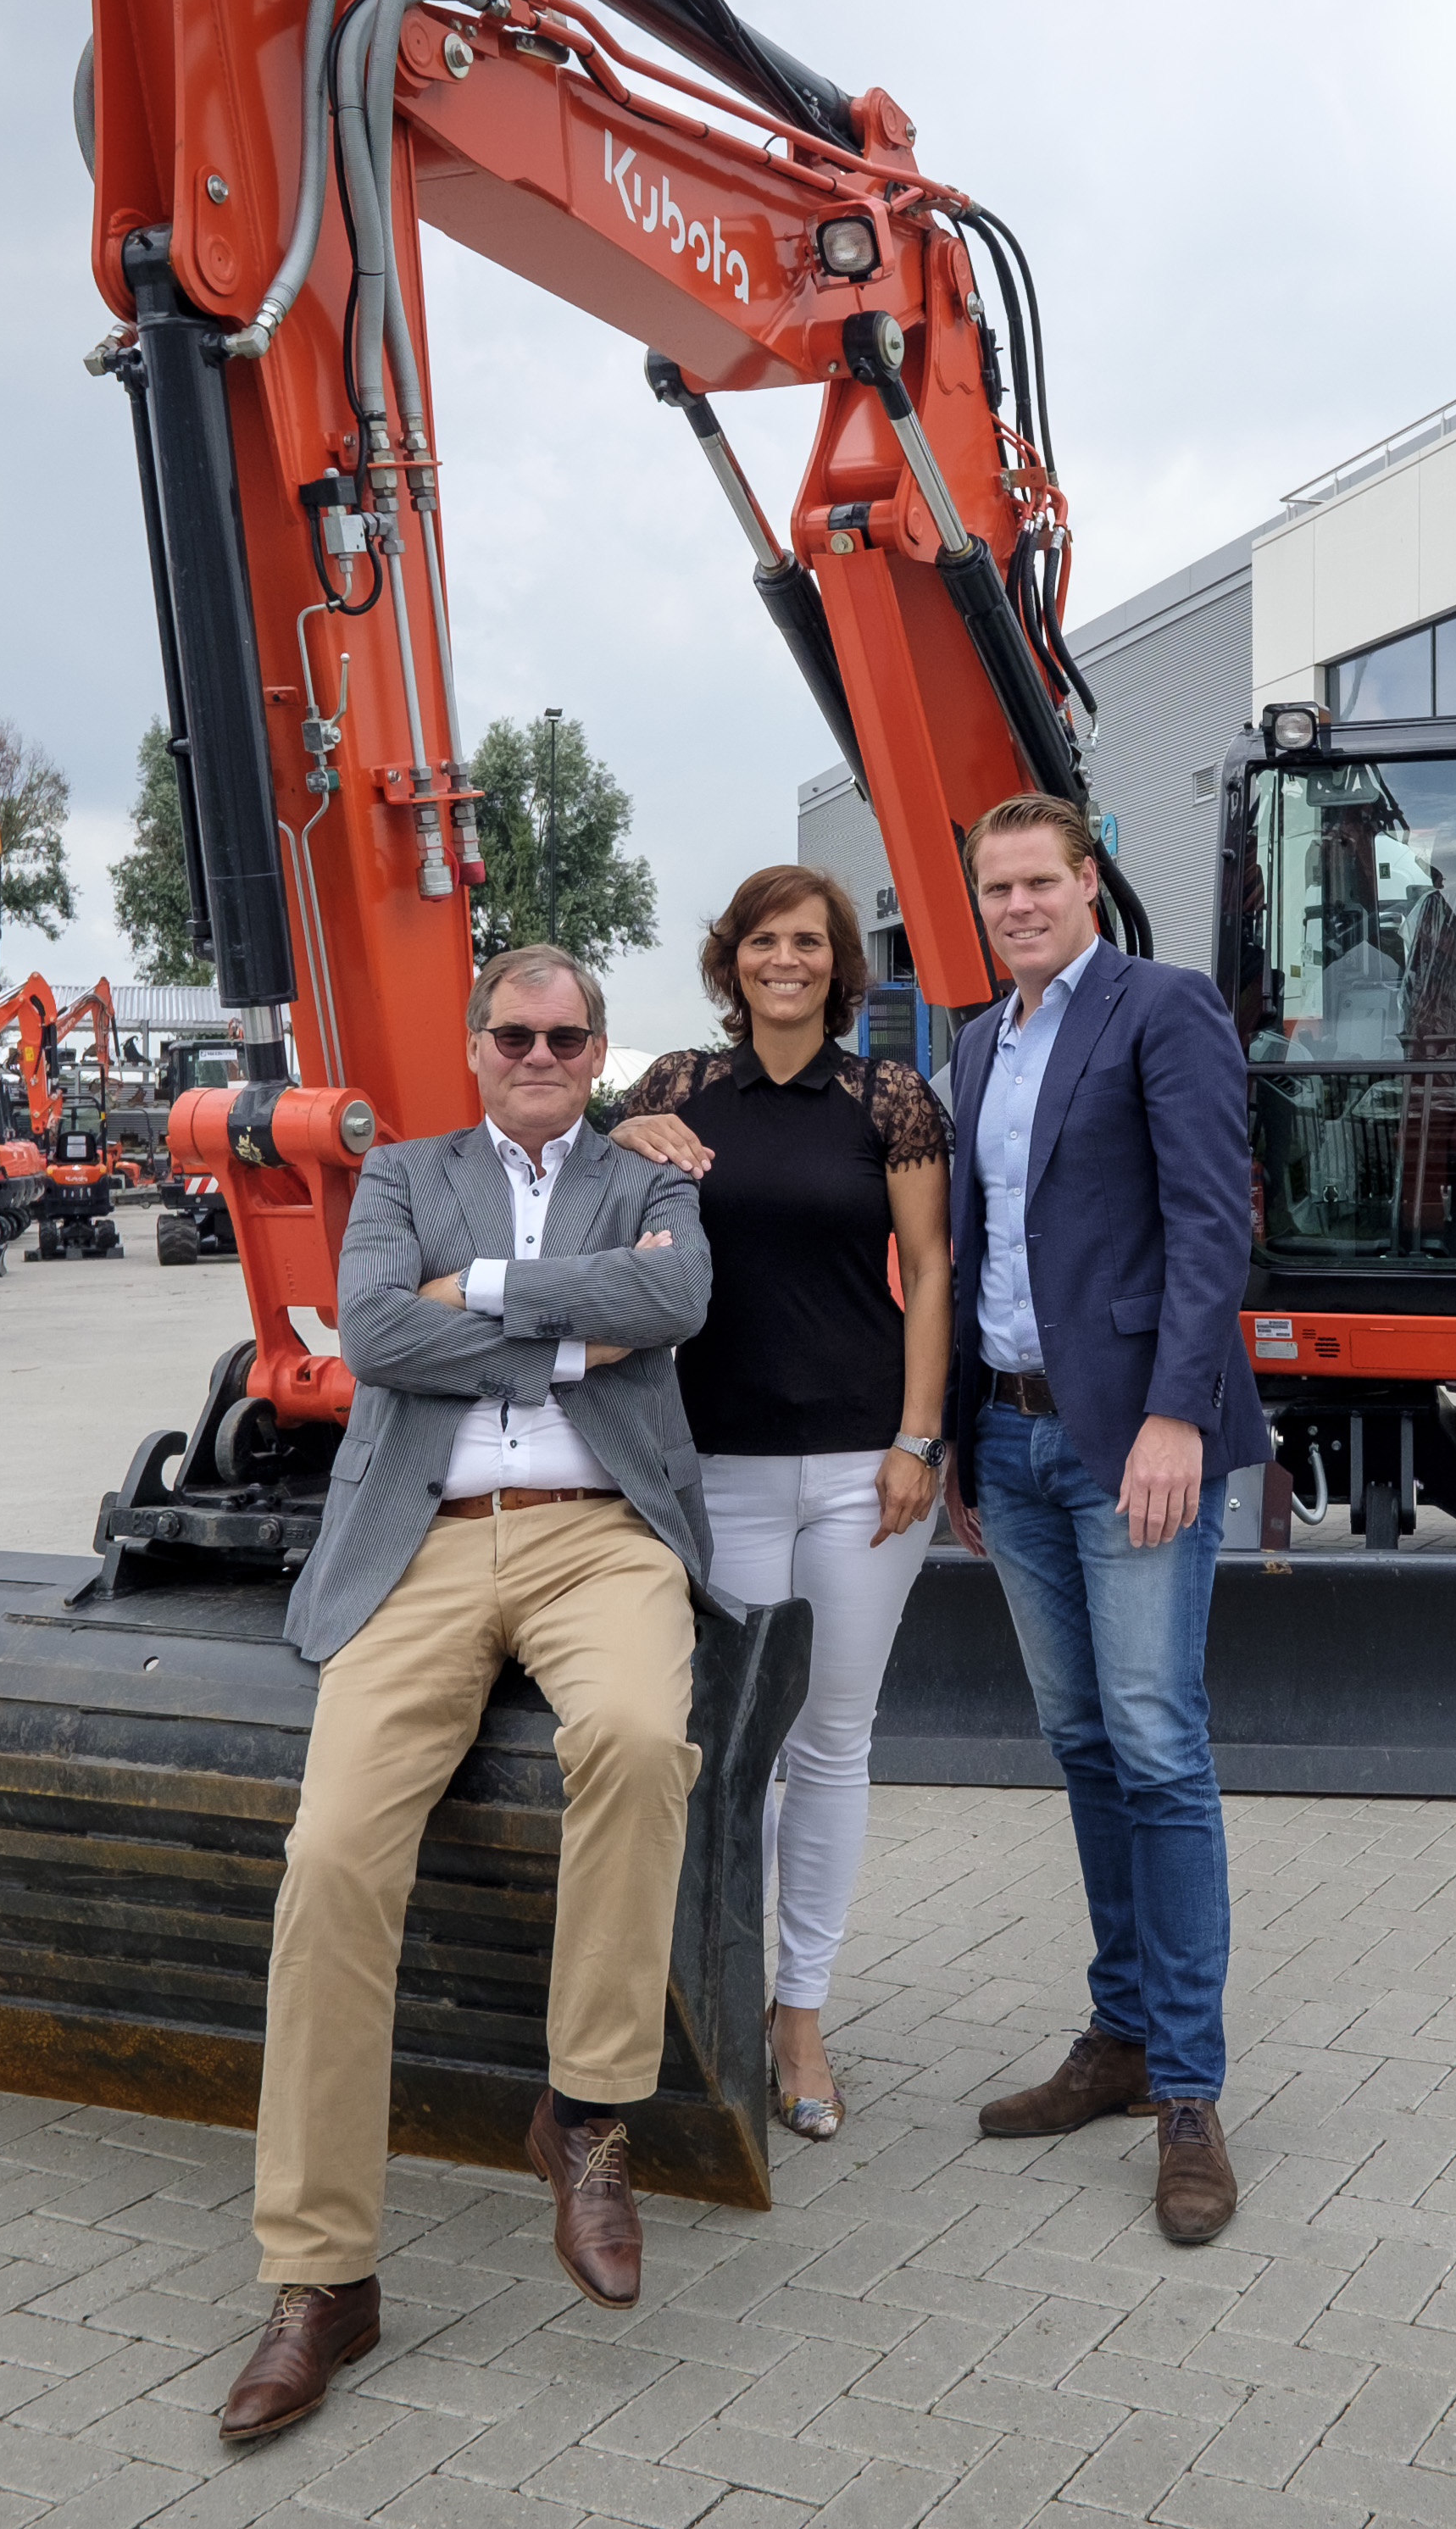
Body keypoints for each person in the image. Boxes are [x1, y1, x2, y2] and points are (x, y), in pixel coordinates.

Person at [214, 944, 713, 2447]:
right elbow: (372, 1333)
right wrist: (575, 1326)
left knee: (635, 1739)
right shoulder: (405, 1174)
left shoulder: (647, 1173)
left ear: (600, 1046)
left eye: (569, 1033)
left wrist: (481, 1298)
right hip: (421, 1546)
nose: (542, 1051)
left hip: (598, 1536)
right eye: (517, 1031)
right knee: (329, 1864)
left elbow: (678, 1294)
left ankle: (586, 2111)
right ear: (475, 1040)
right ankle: (323, 2276)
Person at [939, 795, 1274, 2246]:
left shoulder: (1162, 1007)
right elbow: (973, 1245)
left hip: (1132, 1441)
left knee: (1155, 1739)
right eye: (994, 887)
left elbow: (1214, 1220)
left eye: (1037, 882)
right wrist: (953, 1432)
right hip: (1006, 1437)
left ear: (1088, 885)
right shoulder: (972, 1040)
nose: (1016, 905)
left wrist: (1175, 1414)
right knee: (1080, 1739)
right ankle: (1121, 2030)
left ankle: (1189, 2090)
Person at [603, 866, 953, 2143]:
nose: (786, 959)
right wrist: (614, 1141)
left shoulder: (890, 1099)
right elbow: (598, 1221)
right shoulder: (675, 1094)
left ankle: (799, 2015)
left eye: (808, 940)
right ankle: (714, 1989)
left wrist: (922, 1436)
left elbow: (925, 1267)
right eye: (764, 939)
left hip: (868, 1465)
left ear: (838, 960)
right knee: (728, 1753)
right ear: (730, 957)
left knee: (831, 1742)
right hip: (718, 1467)